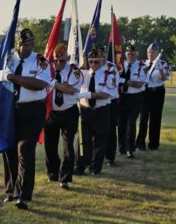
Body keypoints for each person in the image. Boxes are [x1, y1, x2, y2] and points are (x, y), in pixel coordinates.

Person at [0, 27, 52, 210]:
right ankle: (11, 189)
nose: (27, 47)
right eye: (24, 44)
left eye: (30, 43)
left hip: (32, 111)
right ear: (17, 44)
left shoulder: (41, 61)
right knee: (9, 149)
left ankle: (23, 194)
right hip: (10, 110)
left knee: (25, 149)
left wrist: (12, 77)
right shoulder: (8, 59)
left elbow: (39, 84)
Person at [75, 46, 118, 176]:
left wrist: (87, 95)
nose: (93, 64)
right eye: (91, 61)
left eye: (96, 62)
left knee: (100, 140)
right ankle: (80, 166)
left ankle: (95, 168)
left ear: (102, 60)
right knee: (83, 140)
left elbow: (106, 94)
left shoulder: (109, 74)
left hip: (101, 111)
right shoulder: (82, 74)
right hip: (85, 111)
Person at [43, 44, 82, 190]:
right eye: (56, 60)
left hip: (68, 112)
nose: (59, 63)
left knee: (68, 145)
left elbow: (70, 90)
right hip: (52, 112)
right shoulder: (47, 71)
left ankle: (65, 178)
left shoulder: (74, 71)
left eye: (62, 60)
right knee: (50, 145)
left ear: (67, 59)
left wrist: (54, 83)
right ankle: (52, 172)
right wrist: (60, 85)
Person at [135, 43, 170, 151]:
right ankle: (140, 144)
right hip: (145, 92)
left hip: (157, 92)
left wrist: (160, 69)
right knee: (143, 118)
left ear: (158, 53)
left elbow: (163, 78)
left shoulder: (163, 63)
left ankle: (153, 144)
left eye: (153, 52)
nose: (151, 54)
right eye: (149, 52)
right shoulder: (142, 63)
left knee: (155, 119)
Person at [117, 43, 147, 158]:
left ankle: (130, 149)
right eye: (129, 53)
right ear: (126, 54)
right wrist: (126, 82)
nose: (130, 55)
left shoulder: (142, 67)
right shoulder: (121, 65)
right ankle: (121, 148)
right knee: (121, 124)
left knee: (131, 123)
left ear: (136, 55)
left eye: (133, 54)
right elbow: (115, 80)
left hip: (136, 98)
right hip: (123, 98)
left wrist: (124, 81)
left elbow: (139, 84)